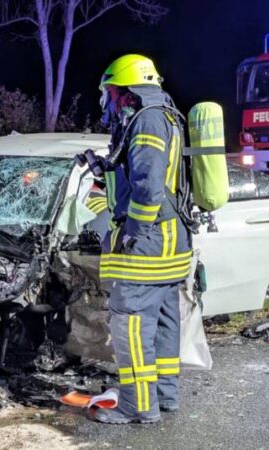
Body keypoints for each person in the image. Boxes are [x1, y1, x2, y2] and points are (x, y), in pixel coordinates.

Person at [95, 54, 192, 424]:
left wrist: (132, 233)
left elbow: (149, 187)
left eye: (110, 91)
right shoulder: (161, 113)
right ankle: (165, 396)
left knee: (130, 320)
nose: (107, 100)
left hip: (151, 240)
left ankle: (136, 405)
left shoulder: (147, 118)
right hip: (172, 240)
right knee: (164, 319)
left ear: (125, 90)